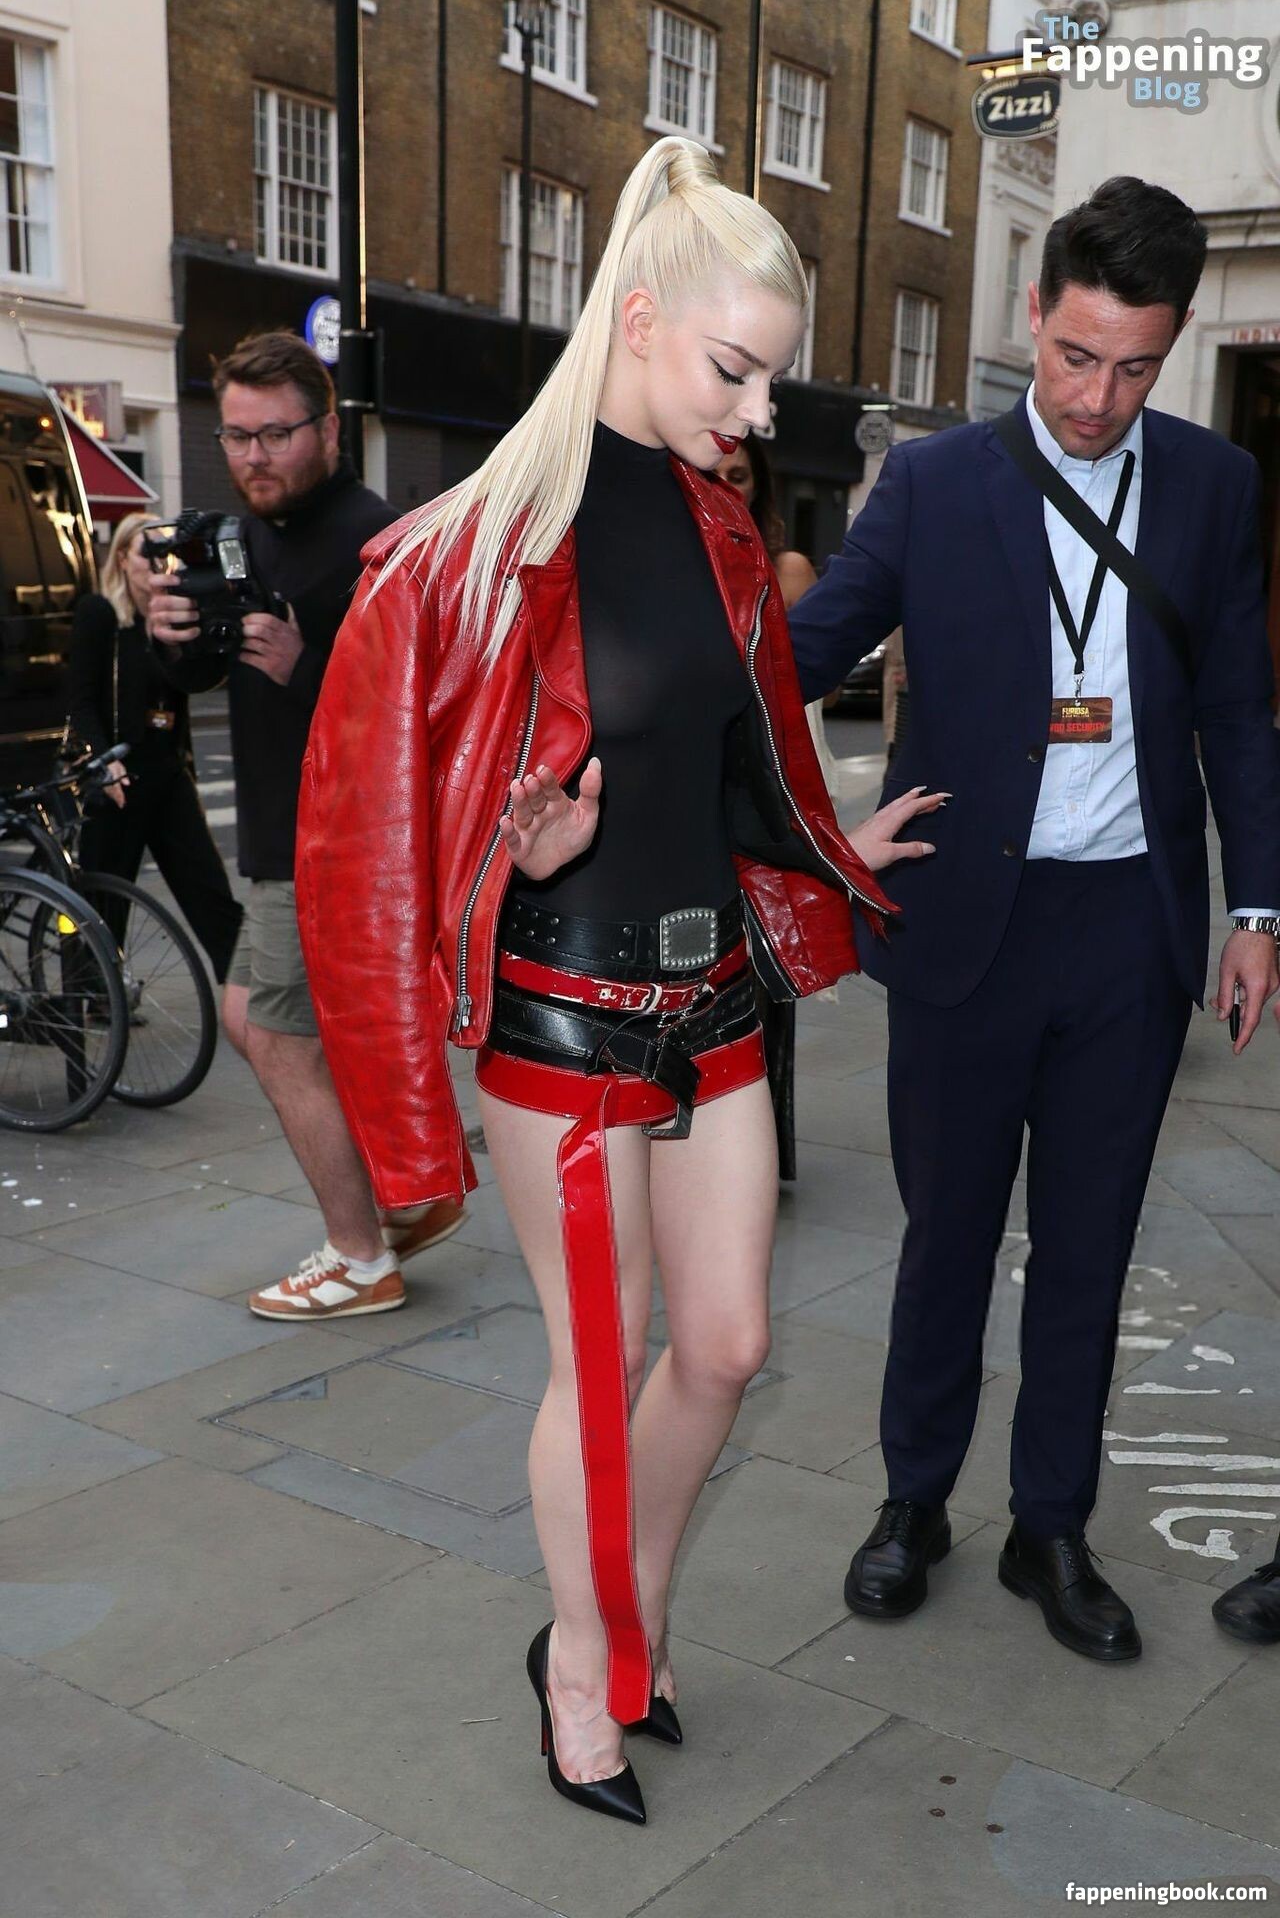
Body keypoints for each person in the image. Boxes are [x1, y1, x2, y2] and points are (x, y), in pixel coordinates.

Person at [295, 137, 942, 1824]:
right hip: (564, 1016)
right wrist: (520, 853)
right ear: (640, 322)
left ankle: (615, 1614)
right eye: (735, 371)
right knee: (606, 1359)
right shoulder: (470, 550)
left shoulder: (724, 531)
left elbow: (731, 768)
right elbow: (366, 843)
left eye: (772, 381)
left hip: (714, 1001)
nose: (757, 413)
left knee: (725, 1347)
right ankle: (584, 1669)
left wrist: (837, 837)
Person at [786, 176, 1280, 1664]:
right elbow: (800, 654)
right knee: (944, 1240)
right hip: (962, 926)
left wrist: (1256, 907)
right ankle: (913, 1502)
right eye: (1074, 356)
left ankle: (1049, 1528)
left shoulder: (1213, 487)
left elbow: (1236, 713)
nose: (1094, 398)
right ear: (1033, 316)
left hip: (1126, 933)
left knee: (1087, 1247)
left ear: (1169, 347)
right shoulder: (935, 483)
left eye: (1133, 368)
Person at [148, 332, 464, 1312]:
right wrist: (173, 639)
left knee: (283, 1040)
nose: (253, 457)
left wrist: (308, 666)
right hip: (280, 838)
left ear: (328, 431)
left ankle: (360, 1255)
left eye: (275, 435)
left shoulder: (376, 541)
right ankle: (405, 1195)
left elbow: (426, 708)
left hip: (333, 847)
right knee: (253, 1016)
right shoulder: (253, 536)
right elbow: (209, 673)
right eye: (236, 436)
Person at [716, 432, 832, 1180]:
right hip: (699, 789)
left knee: (762, 970)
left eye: (740, 475)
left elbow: (807, 678)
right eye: (717, 471)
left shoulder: (781, 565)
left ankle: (756, 1150)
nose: (726, 483)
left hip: (765, 788)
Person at [67, 511, 243, 981]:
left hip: (167, 774)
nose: (156, 561)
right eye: (145, 551)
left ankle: (246, 993)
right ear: (122, 558)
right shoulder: (101, 614)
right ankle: (92, 1001)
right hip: (117, 780)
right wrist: (102, 763)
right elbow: (80, 701)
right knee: (102, 906)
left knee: (210, 892)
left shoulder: (175, 617)